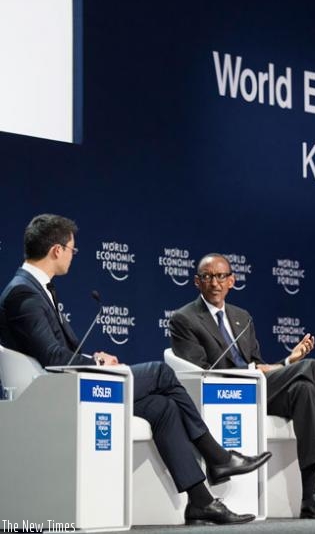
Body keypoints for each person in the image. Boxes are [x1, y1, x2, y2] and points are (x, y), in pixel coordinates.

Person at [0, 214, 272, 526]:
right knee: (160, 373)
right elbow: (52, 356)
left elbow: (53, 351)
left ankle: (201, 501)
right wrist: (97, 364)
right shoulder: (24, 294)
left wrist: (91, 357)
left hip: (67, 386)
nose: (73, 257)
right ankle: (218, 457)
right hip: (52, 395)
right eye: (73, 250)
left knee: (163, 406)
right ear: (56, 251)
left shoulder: (36, 289)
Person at [168, 253, 315, 519]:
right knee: (310, 368)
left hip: (257, 388)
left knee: (305, 391)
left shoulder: (242, 317)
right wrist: (268, 369)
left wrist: (288, 361)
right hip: (224, 393)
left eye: (221, 276)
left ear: (232, 281)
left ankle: (310, 496)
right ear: (197, 282)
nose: (215, 283)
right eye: (207, 277)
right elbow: (202, 372)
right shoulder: (184, 319)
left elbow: (257, 364)